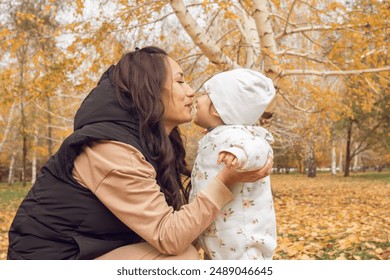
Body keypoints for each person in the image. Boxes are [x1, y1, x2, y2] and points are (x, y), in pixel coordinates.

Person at [7, 46, 273, 260]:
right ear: (149, 88)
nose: (191, 92)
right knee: (181, 262)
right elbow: (169, 236)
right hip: (53, 261)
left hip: (94, 248)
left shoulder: (153, 141)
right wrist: (225, 181)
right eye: (180, 81)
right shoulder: (111, 150)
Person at [191, 68, 277, 260]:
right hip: (219, 237)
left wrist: (239, 154)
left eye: (205, 94)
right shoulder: (221, 134)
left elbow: (261, 150)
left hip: (242, 243)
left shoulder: (239, 137)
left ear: (216, 108)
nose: (197, 98)